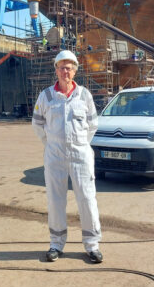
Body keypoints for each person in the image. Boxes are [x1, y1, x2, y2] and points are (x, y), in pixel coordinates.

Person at [31, 50, 103, 264]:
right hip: (54, 155)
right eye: (62, 67)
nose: (66, 71)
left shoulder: (84, 95)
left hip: (80, 154)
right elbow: (37, 124)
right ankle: (56, 244)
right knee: (55, 200)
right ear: (56, 69)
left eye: (70, 67)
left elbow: (93, 125)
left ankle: (92, 245)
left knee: (87, 199)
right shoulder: (46, 96)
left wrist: (78, 144)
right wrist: (52, 143)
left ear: (75, 71)